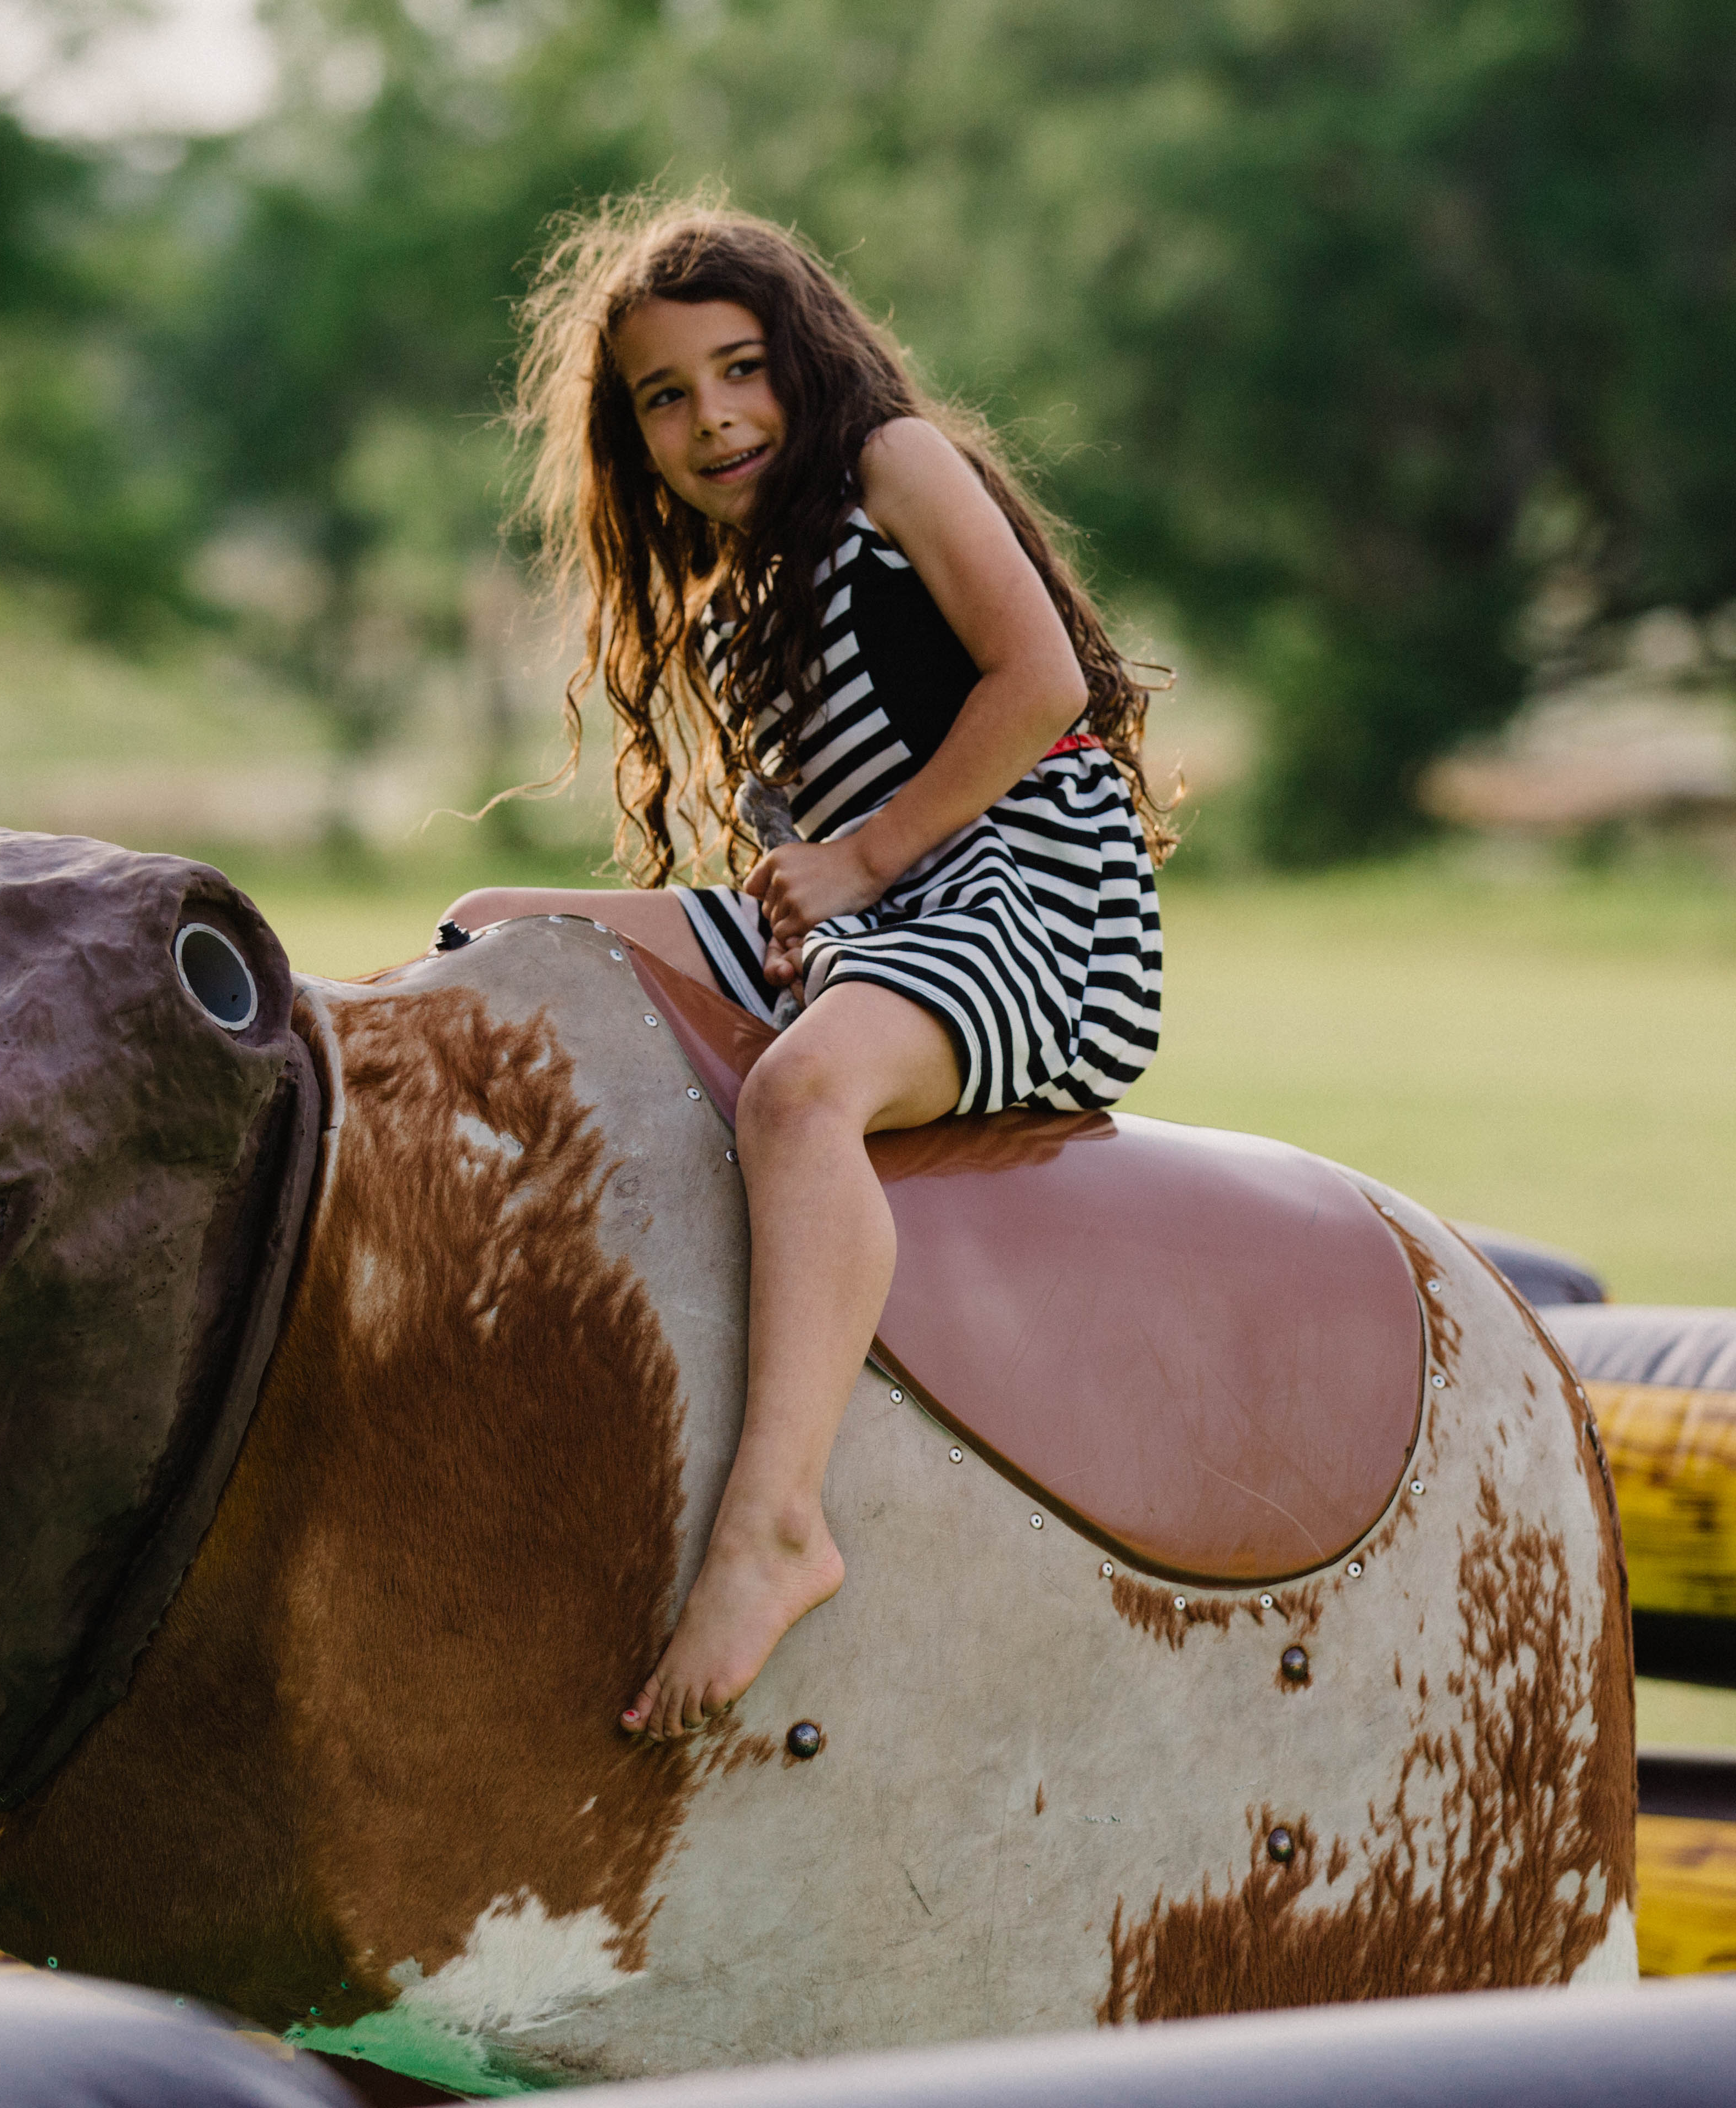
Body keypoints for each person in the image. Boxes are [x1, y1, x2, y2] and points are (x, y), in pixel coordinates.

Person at [445, 199, 1171, 1738]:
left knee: (799, 1098)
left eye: (742, 369)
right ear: (631, 435)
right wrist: (811, 900)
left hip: (1028, 907)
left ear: (808, 361)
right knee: (489, 938)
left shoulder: (896, 468)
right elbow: (823, 844)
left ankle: (779, 1524)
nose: (714, 417)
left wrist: (860, 862)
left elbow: (1040, 683)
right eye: (667, 395)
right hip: (884, 913)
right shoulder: (736, 594)